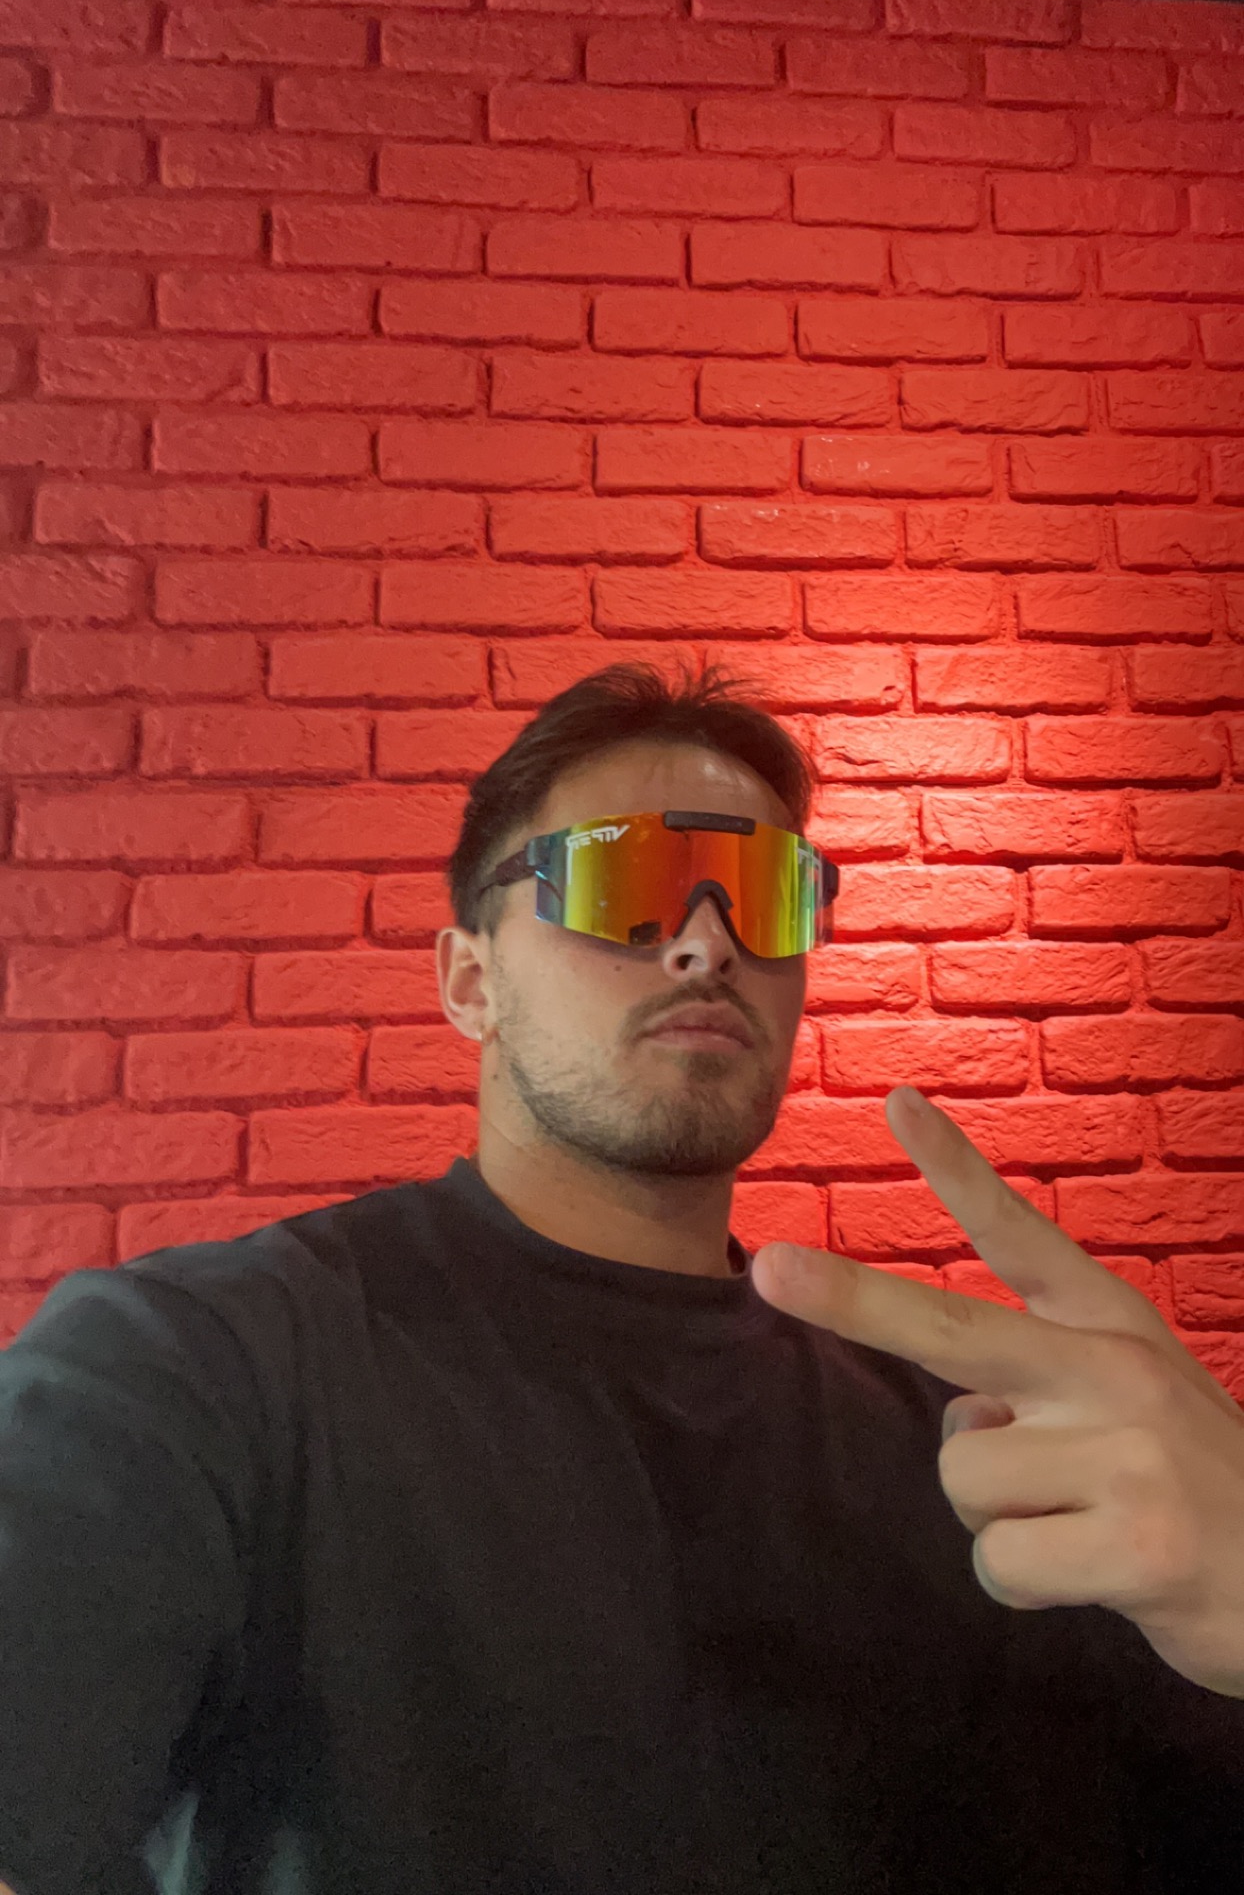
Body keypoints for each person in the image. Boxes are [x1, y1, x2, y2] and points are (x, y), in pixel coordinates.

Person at [0, 660, 1241, 1894]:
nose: (705, 943)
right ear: (470, 983)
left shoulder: (978, 1450)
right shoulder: (197, 1369)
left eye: (764, 894)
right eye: (620, 882)